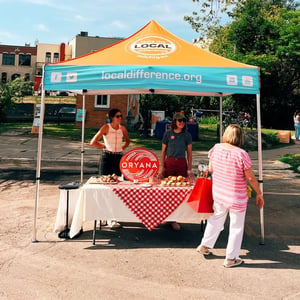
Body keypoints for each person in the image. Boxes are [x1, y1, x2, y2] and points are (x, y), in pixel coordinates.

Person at [196, 124, 264, 268]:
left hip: (219, 193)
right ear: (240, 137)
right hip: (236, 196)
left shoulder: (216, 148)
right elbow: (251, 178)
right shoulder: (241, 154)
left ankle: (205, 245)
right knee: (236, 227)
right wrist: (259, 193)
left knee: (215, 219)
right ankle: (231, 258)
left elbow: (211, 169)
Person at [90, 108, 130, 228]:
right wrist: (105, 146)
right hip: (107, 157)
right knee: (105, 186)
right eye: (118, 116)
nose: (120, 118)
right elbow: (93, 141)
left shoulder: (122, 128)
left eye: (121, 116)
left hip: (118, 158)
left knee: (116, 186)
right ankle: (102, 216)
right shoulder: (106, 127)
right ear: (112, 117)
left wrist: (122, 148)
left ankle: (112, 217)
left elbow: (127, 141)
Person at [159, 111, 193, 231]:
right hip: (170, 162)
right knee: (167, 189)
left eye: (184, 120)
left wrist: (189, 169)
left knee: (179, 191)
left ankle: (174, 219)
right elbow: (163, 151)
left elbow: (189, 152)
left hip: (181, 162)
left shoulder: (187, 135)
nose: (182, 123)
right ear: (175, 122)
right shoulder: (168, 134)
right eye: (180, 121)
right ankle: (165, 216)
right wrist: (162, 167)